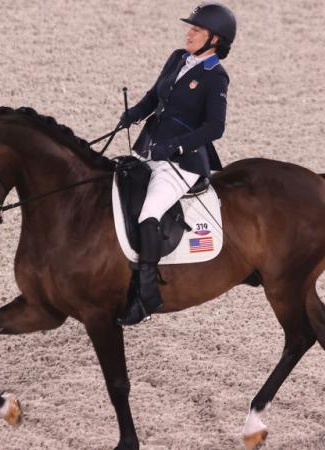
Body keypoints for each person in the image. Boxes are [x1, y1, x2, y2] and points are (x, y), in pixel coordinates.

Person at [116, 2, 237, 326]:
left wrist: (173, 146)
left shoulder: (215, 77)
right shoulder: (178, 58)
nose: (189, 33)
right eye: (191, 28)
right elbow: (155, 97)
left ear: (215, 39)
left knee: (149, 213)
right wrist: (133, 115)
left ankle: (147, 295)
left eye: (197, 30)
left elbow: (215, 128)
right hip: (149, 148)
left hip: (182, 163)